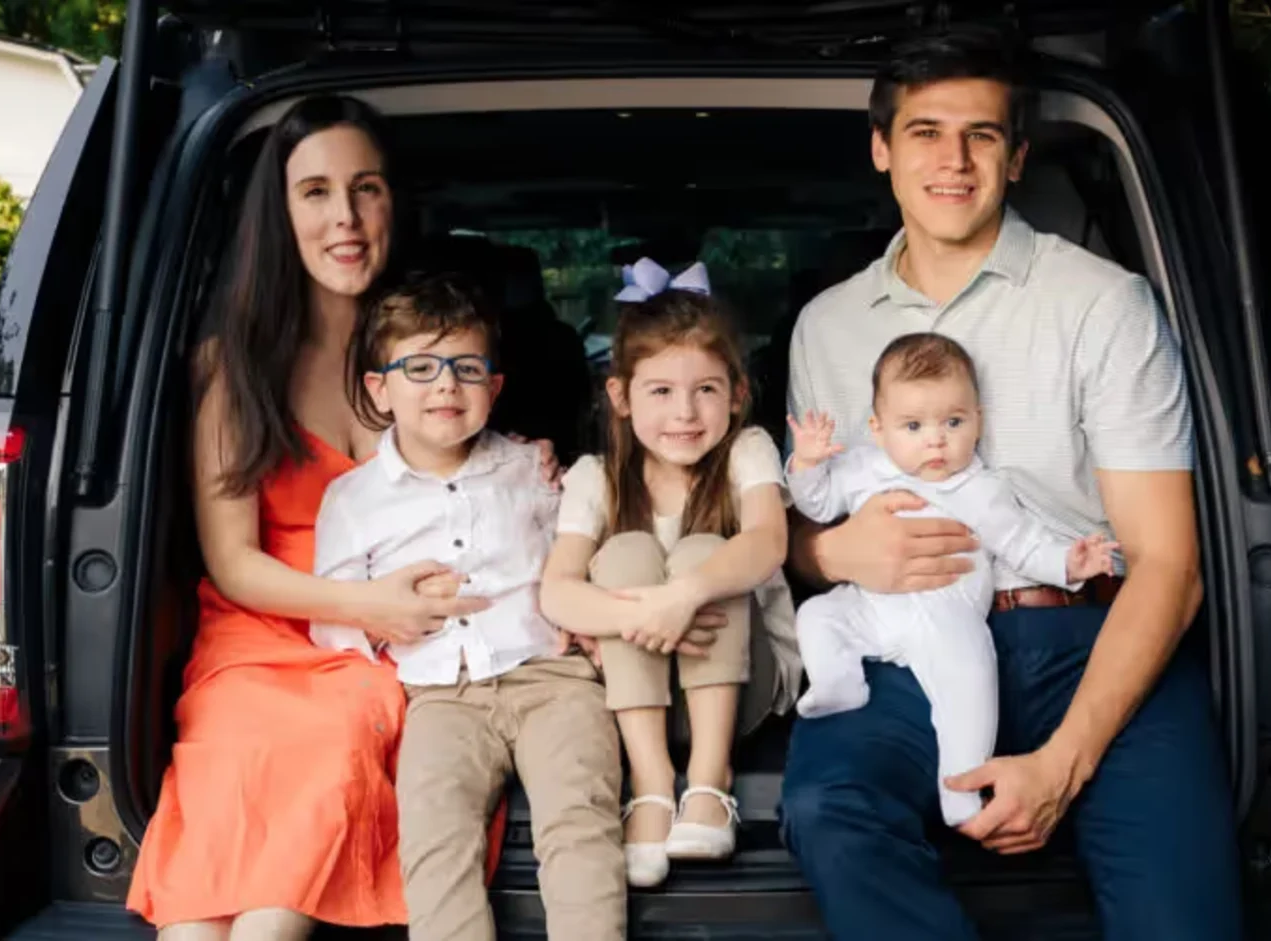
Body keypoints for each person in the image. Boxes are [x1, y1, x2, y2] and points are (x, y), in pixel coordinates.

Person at [778, 28, 1246, 940]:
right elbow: (798, 523)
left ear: (1017, 155)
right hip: (910, 637)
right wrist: (831, 549)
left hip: (1090, 639)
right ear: (881, 148)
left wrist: (1062, 763)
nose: (952, 159)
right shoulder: (825, 326)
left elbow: (1169, 564)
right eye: (924, 131)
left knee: (1184, 918)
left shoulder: (1102, 304)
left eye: (982, 135)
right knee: (829, 809)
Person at [125, 97, 492, 940]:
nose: (346, 218)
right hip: (259, 636)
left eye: (366, 189)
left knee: (336, 729)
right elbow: (233, 562)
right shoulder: (233, 363)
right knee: (217, 859)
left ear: (394, 202)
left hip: (386, 652)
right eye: (316, 192)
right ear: (279, 213)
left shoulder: (426, 351)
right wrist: (371, 606)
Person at [311, 273, 624, 941]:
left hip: (553, 680)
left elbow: (579, 554)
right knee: (432, 836)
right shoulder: (354, 498)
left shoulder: (533, 469)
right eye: (419, 367)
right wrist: (390, 612)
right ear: (378, 389)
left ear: (496, 387)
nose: (445, 384)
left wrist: (590, 616)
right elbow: (333, 617)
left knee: (580, 821)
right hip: (440, 697)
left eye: (466, 367)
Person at [784, 331, 1117, 826]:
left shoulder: (981, 489)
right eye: (913, 425)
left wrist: (1071, 563)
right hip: (872, 607)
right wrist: (807, 463)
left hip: (947, 617)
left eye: (953, 422)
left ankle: (961, 788)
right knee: (817, 615)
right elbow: (815, 502)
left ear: (977, 422)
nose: (935, 440)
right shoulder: (861, 468)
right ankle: (839, 682)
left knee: (969, 688)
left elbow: (1022, 543)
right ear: (877, 429)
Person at [540, 259, 801, 888]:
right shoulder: (593, 479)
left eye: (706, 390)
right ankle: (653, 785)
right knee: (625, 553)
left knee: (705, 552)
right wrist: (644, 615)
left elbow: (767, 540)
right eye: (660, 391)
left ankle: (712, 781)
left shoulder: (747, 451)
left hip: (744, 691)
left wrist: (685, 595)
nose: (685, 412)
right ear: (621, 398)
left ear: (738, 394)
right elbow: (556, 589)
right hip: (637, 698)